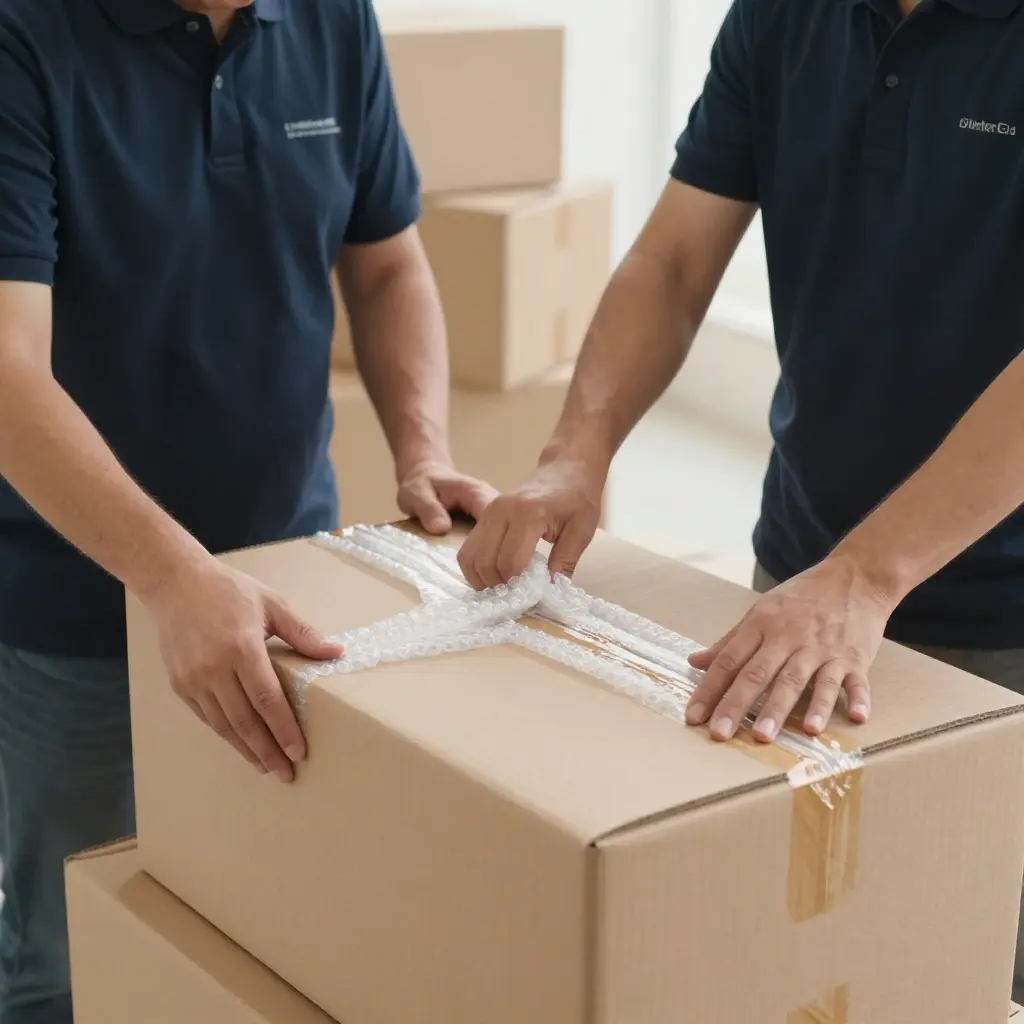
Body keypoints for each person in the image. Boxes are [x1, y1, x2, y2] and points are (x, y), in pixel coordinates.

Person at [459, 0, 1024, 997]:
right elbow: (674, 260)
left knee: (967, 968)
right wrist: (573, 454)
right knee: (809, 963)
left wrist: (863, 575)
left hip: (994, 618)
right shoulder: (779, 14)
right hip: (803, 574)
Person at [0, 0, 495, 1020]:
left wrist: (423, 450)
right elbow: (6, 371)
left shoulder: (332, 20)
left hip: (291, 586)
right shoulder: (23, 38)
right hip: (79, 612)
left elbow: (388, 257)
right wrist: (170, 575)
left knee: (260, 933)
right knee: (70, 956)